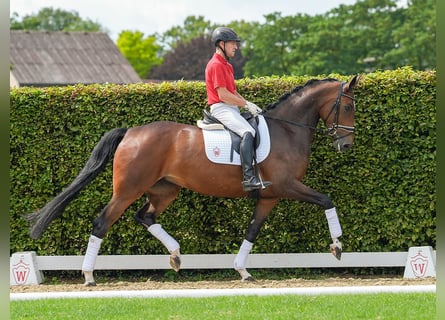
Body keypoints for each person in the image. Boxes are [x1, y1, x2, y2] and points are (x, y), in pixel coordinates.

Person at [205, 27, 271, 192]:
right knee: (247, 132)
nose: (236, 47)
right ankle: (248, 178)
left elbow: (232, 91)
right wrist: (245, 105)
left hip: (231, 108)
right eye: (233, 43)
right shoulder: (216, 65)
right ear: (222, 44)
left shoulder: (227, 66)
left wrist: (247, 103)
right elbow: (223, 94)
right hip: (221, 108)